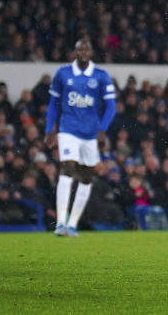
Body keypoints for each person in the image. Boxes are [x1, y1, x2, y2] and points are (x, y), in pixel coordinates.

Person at [44, 38, 117, 237]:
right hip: (68, 129)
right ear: (75, 52)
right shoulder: (63, 73)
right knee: (67, 167)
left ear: (91, 52)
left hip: (91, 134)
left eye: (87, 49)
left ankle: (72, 224)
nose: (83, 52)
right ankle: (60, 223)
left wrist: (102, 129)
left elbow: (111, 106)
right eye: (80, 49)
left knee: (86, 177)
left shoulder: (101, 76)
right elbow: (54, 104)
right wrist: (49, 129)